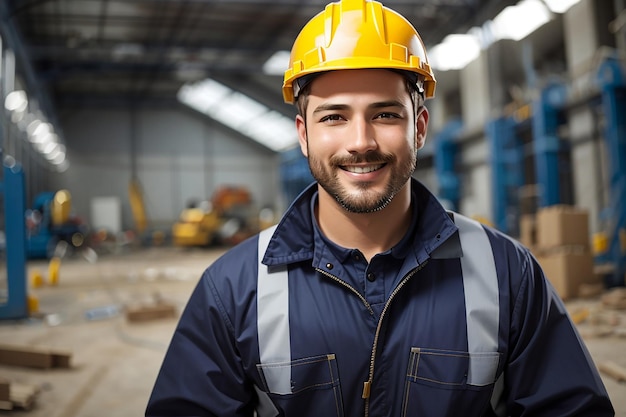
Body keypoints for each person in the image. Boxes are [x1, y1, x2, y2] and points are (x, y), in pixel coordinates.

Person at [146, 0, 614, 415]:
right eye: (334, 116)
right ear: (304, 134)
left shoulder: (507, 274)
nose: (361, 142)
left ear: (420, 127)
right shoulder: (233, 289)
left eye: (385, 114)